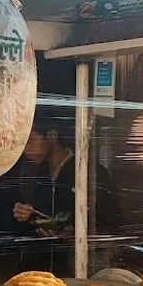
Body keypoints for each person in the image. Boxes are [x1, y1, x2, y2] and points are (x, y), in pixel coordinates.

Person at [10, 107, 119, 272]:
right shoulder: (29, 172)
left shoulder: (87, 173)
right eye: (22, 143)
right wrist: (22, 215)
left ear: (52, 136)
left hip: (78, 267)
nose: (26, 150)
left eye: (31, 140)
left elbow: (113, 223)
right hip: (39, 268)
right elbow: (22, 222)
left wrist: (77, 233)